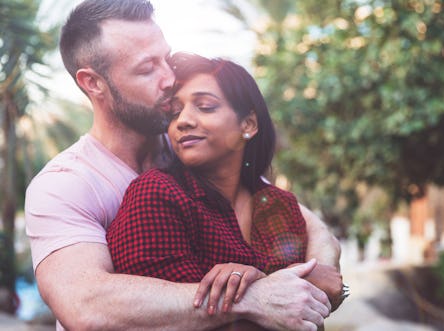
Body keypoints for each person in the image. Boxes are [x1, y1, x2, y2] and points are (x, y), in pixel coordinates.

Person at [24, 0, 344, 330]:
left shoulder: (191, 146)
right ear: (93, 83)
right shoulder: (65, 184)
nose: (168, 78)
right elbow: (86, 306)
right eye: (147, 68)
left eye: (167, 58)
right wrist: (252, 297)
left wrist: (315, 276)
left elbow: (309, 225)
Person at [107, 53, 343, 328]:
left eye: (205, 106)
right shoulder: (156, 194)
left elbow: (312, 307)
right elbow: (161, 319)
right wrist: (262, 286)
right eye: (174, 112)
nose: (183, 121)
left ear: (248, 125)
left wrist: (300, 287)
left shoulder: (280, 204)